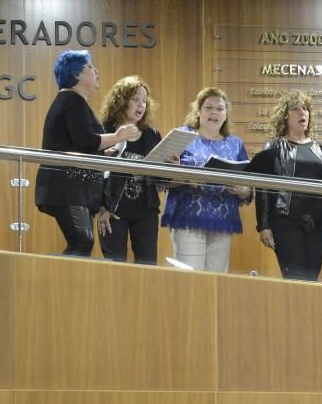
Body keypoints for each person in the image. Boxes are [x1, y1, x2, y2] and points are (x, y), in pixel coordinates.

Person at [35, 50, 141, 256]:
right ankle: (52, 283)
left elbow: (78, 143)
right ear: (76, 75)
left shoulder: (72, 101)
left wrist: (105, 152)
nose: (97, 71)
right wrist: (118, 136)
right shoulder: (72, 100)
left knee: (82, 242)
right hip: (66, 187)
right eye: (90, 67)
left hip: (70, 187)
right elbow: (86, 141)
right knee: (82, 241)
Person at [160, 87, 251, 272]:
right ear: (198, 111)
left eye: (220, 109)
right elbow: (159, 180)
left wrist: (244, 190)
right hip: (188, 219)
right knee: (190, 284)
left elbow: (248, 184)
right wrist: (182, 176)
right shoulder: (181, 135)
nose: (214, 113)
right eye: (209, 107)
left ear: (226, 115)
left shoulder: (236, 144)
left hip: (223, 222)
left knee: (216, 285)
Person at [252, 89, 322, 281]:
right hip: (285, 221)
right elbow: (262, 189)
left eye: (305, 109)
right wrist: (263, 225)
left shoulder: (320, 149)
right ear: (285, 116)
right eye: (296, 109)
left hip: (317, 223)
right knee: (294, 279)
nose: (302, 113)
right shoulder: (274, 147)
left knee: (312, 278)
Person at [96, 76, 165, 265]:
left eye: (144, 100)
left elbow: (160, 180)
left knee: (148, 268)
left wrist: (171, 166)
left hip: (146, 212)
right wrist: (101, 208)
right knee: (115, 270)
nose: (141, 105)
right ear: (121, 100)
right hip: (113, 211)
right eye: (135, 99)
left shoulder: (152, 134)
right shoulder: (105, 131)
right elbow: (94, 175)